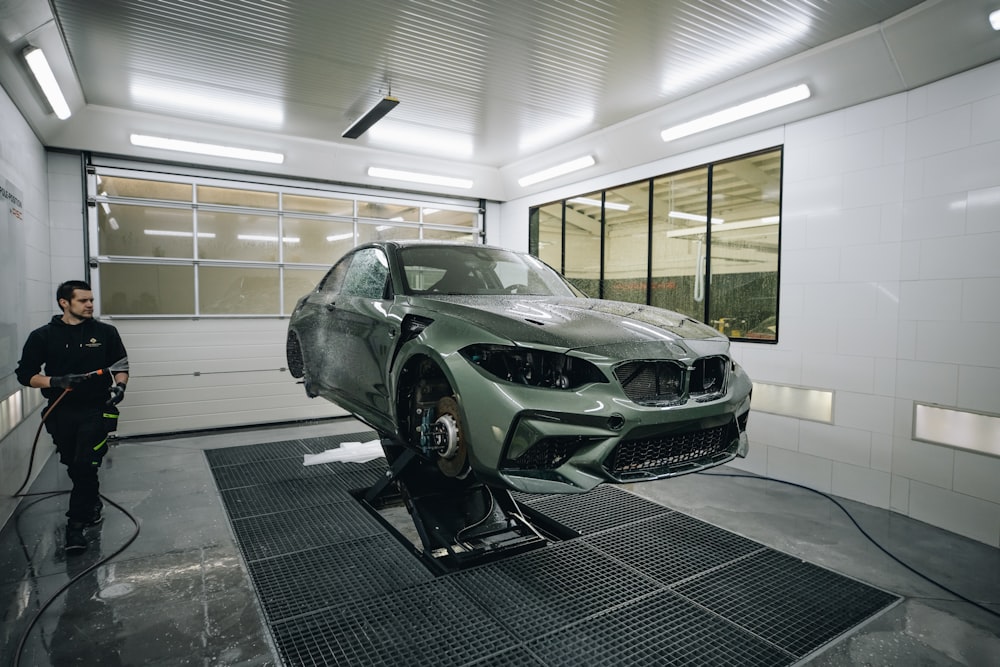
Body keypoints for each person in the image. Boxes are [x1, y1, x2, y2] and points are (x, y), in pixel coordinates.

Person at [15, 280, 129, 554]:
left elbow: (122, 365)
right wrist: (55, 381)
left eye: (91, 300)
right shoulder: (42, 336)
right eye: (83, 300)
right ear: (64, 303)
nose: (90, 304)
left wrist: (121, 386)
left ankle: (75, 526)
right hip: (61, 411)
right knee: (73, 463)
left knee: (85, 464)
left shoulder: (105, 333)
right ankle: (91, 504)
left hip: (96, 409)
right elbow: (25, 375)